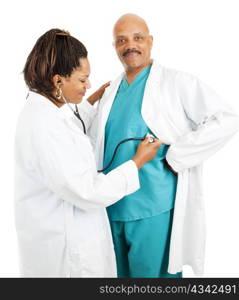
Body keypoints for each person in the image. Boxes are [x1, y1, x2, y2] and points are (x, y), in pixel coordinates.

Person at [86, 14, 239, 277]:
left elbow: (226, 119)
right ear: (114, 47)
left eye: (137, 38)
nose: (129, 45)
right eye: (121, 40)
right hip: (111, 205)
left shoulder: (176, 82)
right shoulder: (110, 90)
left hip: (153, 205)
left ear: (151, 41)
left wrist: (177, 155)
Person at [14, 28, 161, 277]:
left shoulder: (49, 110)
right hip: (68, 255)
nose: (88, 85)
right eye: (83, 80)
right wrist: (136, 163)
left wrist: (91, 100)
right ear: (58, 81)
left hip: (62, 240)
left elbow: (71, 125)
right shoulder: (45, 126)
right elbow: (87, 192)